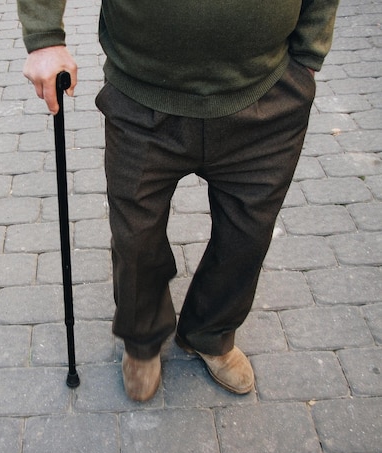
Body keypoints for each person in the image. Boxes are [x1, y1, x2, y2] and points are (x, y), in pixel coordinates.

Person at [17, 0, 339, 401]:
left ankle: (210, 332)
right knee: (136, 236)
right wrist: (45, 37)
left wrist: (309, 53)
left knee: (249, 234)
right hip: (141, 93)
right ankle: (143, 340)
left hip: (267, 92)